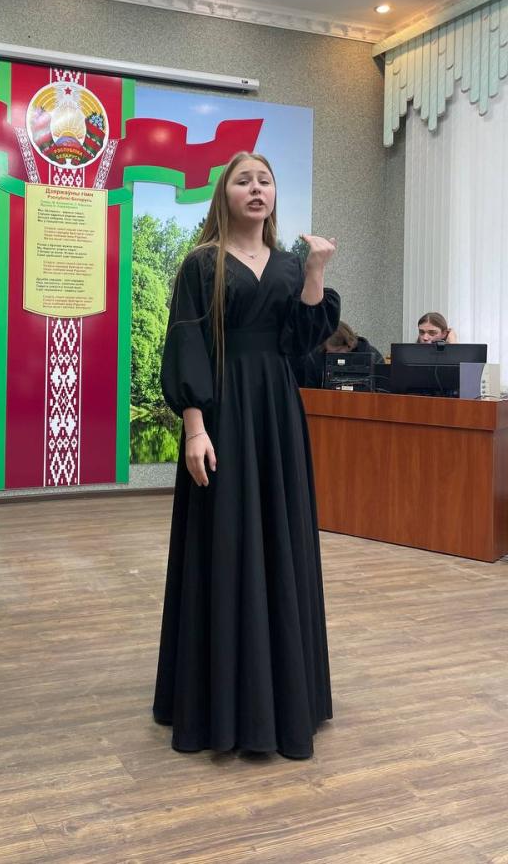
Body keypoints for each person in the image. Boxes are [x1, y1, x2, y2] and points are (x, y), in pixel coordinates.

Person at [154, 150, 340, 760]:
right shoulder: (201, 264)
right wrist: (195, 426)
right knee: (225, 540)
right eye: (243, 181)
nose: (256, 189)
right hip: (224, 414)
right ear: (225, 195)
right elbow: (187, 344)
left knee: (280, 541)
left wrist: (315, 271)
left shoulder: (289, 266)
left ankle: (283, 700)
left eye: (265, 180)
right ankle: (219, 703)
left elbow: (302, 343)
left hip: (277, 416)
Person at [293, 320, 384, 389]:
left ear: (349, 345)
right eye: (328, 351)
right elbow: (310, 391)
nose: (329, 355)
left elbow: (382, 392)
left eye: (336, 351)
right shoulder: (315, 358)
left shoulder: (375, 358)